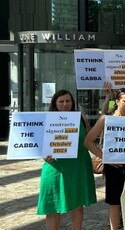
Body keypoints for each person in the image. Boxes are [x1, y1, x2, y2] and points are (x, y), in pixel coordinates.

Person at [37, 90, 96, 230]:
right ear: (55, 103)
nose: (65, 104)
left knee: (77, 205)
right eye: (61, 101)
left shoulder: (81, 119)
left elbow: (89, 139)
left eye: (68, 101)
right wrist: (43, 154)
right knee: (52, 206)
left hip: (78, 166)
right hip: (55, 167)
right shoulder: (46, 119)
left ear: (72, 103)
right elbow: (37, 143)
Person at [84, 88, 125, 230]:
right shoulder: (106, 119)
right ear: (117, 102)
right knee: (114, 202)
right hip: (114, 167)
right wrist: (106, 158)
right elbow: (88, 142)